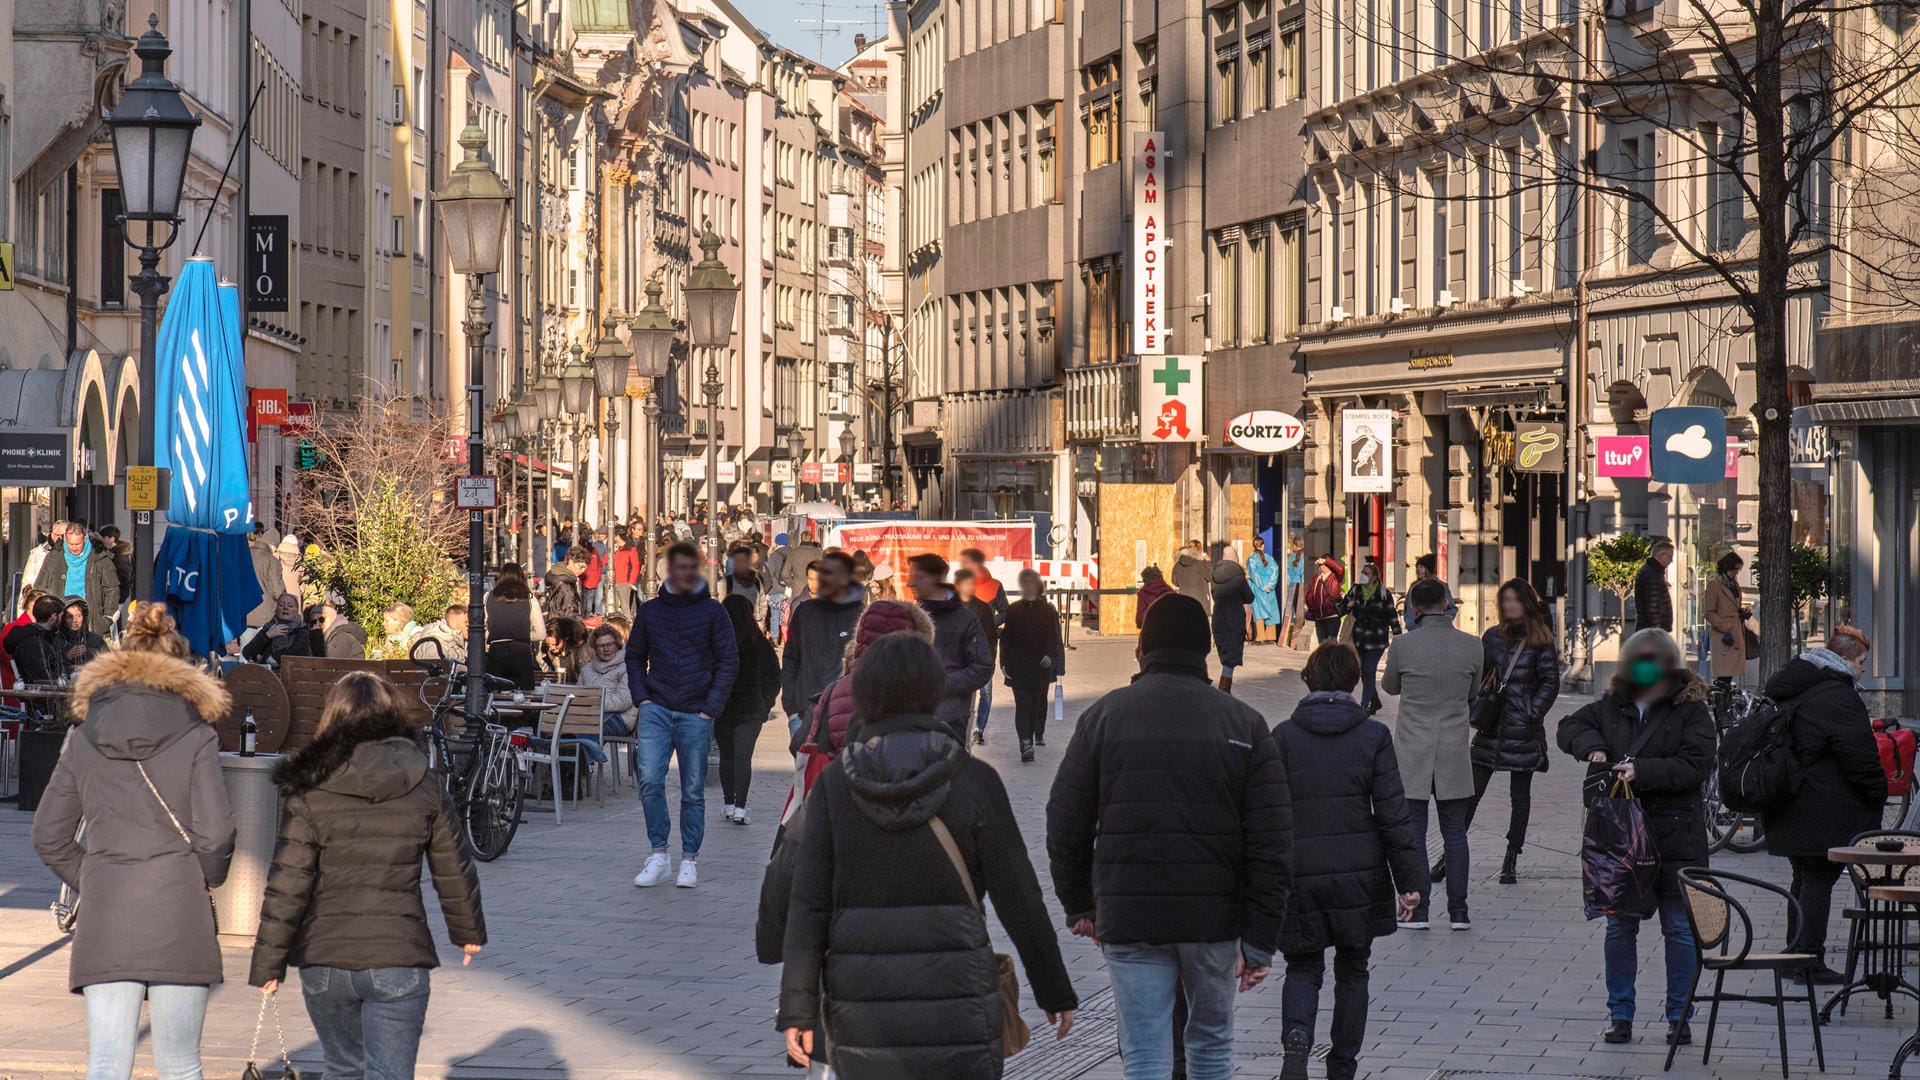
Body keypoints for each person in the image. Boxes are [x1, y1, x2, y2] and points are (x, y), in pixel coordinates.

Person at [779, 633, 1077, 1078]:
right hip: (959, 1000)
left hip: (863, 1007)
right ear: (935, 692)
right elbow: (1020, 896)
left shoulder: (835, 788)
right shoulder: (974, 782)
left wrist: (798, 1010)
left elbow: (808, 905)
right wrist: (1053, 990)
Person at [1047, 594, 1292, 1080]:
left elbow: (1064, 821)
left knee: (1145, 1053)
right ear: (1205, 650)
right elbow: (1273, 841)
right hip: (1214, 919)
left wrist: (1081, 906)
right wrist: (1261, 940)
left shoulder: (1104, 718)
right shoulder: (1243, 724)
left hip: (1130, 913)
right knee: (1211, 1047)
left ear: (1142, 648)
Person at [31, 604, 236, 1080]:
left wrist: (96, 876)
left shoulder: (84, 737)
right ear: (180, 668)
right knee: (181, 1065)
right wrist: (199, 875)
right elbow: (217, 833)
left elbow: (49, 835)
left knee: (106, 1062)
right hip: (178, 909)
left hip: (107, 910)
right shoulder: (197, 736)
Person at [249, 672, 486, 1080]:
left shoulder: (311, 787)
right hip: (398, 953)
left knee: (342, 1069)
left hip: (325, 958)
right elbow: (453, 864)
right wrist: (468, 933)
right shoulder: (423, 781)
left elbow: (288, 882)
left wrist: (268, 964)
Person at [1272, 643, 1425, 1080]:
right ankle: (1341, 1066)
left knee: (1302, 965)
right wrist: (1410, 883)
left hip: (1299, 870)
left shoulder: (1283, 736)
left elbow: (1266, 813)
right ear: (1354, 681)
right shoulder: (1373, 736)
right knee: (1353, 970)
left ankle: (1298, 1040)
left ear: (1309, 678)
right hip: (1359, 873)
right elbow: (1393, 813)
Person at [1556, 628, 1713, 1046]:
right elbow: (1568, 726)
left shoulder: (1692, 710)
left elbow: (1696, 765)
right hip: (1623, 839)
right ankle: (1620, 1014)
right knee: (1620, 927)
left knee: (1678, 928)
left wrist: (1642, 770)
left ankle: (1678, 1015)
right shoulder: (1614, 705)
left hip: (1676, 835)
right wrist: (1594, 749)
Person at [1760, 625, 1885, 985]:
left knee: (1804, 877)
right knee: (1818, 879)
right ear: (1844, 659)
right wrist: (1877, 793)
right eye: (1861, 662)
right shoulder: (1837, 697)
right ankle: (1808, 959)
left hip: (1790, 800)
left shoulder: (1797, 686)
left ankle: (1795, 953)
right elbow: (1860, 758)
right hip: (1821, 806)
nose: (1863, 670)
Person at [625, 542, 739, 889]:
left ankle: (690, 859)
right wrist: (642, 697)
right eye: (681, 567)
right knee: (649, 779)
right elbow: (633, 655)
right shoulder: (651, 611)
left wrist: (710, 708)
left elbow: (729, 661)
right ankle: (659, 854)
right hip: (656, 707)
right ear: (669, 571)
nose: (687, 573)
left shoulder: (713, 612)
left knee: (692, 788)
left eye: (693, 567)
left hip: (695, 711)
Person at [1380, 578, 1484, 930]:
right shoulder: (1473, 646)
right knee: (1455, 832)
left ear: (1414, 608)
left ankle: (1418, 910)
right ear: (1446, 603)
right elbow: (1474, 691)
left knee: (1414, 834)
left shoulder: (1403, 645)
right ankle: (1459, 912)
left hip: (1413, 748)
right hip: (1454, 747)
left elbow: (1390, 686)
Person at [1464, 579, 1561, 886]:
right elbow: (1479, 676)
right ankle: (1451, 854)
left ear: (1527, 603)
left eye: (1515, 600)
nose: (1510, 606)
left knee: (1520, 797)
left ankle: (1511, 858)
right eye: (1505, 600)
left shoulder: (1541, 640)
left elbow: (1550, 682)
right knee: (1470, 794)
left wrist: (1531, 711)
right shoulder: (1492, 637)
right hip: (1492, 726)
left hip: (1523, 729)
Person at [908, 553, 994, 746]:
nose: (910, 584)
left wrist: (940, 683)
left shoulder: (966, 620)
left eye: (917, 577)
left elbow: (982, 668)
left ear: (936, 578)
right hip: (911, 721)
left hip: (949, 721)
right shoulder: (909, 618)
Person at [780, 551, 866, 739]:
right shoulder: (805, 612)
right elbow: (791, 658)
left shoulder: (861, 615)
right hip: (804, 711)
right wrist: (791, 707)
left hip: (846, 714)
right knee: (805, 767)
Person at [715, 594, 780, 825]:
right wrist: (766, 702)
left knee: (727, 756)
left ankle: (728, 804)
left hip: (722, 707)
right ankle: (741, 809)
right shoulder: (759, 643)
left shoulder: (718, 641)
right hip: (751, 709)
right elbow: (774, 676)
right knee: (744, 758)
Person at [999, 569, 1064, 763]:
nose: (1028, 587)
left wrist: (1049, 656)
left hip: (1039, 667)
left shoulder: (1047, 610)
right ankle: (1025, 743)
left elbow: (1053, 637)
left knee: (1035, 705)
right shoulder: (1014, 610)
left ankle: (1034, 735)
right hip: (1018, 667)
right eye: (1024, 583)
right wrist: (1004, 663)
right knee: (1022, 705)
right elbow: (1006, 639)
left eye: (1031, 583)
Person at [34, 519, 120, 635]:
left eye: (78, 544)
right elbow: (41, 587)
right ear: (65, 539)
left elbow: (112, 589)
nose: (74, 548)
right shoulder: (54, 557)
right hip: (59, 620)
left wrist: (107, 618)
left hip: (91, 621)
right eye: (70, 544)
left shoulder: (100, 558)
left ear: (85, 539)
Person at [1340, 563, 1402, 714]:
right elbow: (1340, 609)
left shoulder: (1383, 593)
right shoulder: (1355, 590)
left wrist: (1398, 637)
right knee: (1363, 671)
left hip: (1377, 639)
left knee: (1369, 670)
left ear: (1374, 576)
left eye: (1366, 573)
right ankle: (1374, 702)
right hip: (1359, 638)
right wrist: (1347, 605)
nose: (1363, 575)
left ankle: (1364, 704)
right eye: (1362, 572)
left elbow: (1391, 615)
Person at [955, 568, 1003, 745]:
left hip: (980, 659)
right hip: (966, 661)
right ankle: (968, 730)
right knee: (971, 696)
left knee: (985, 694)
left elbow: (991, 636)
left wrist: (990, 659)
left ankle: (977, 729)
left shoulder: (983, 606)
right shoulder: (954, 607)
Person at [485, 564, 546, 690]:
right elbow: (541, 633)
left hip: (496, 651)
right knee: (523, 694)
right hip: (521, 651)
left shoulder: (488, 597)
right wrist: (521, 633)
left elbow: (482, 627)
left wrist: (497, 634)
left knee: (495, 695)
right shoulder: (530, 598)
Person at [580, 623, 639, 748]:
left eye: (610, 644)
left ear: (617, 645)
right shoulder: (587, 670)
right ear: (595, 648)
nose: (606, 649)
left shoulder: (627, 666)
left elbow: (624, 701)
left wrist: (593, 703)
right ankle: (567, 765)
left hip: (620, 718)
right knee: (564, 729)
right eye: (601, 645)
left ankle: (580, 764)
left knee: (587, 731)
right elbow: (578, 695)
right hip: (589, 716)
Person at [1702, 550, 1752, 685]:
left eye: (1739, 569)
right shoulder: (1715, 584)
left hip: (1735, 629)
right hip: (1724, 635)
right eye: (1735, 569)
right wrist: (1725, 626)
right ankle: (1721, 703)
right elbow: (1708, 612)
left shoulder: (1733, 584)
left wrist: (1742, 611)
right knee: (1724, 674)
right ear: (1727, 567)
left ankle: (1726, 702)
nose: (1737, 572)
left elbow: (1732, 605)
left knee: (1729, 674)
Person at [1211, 557, 1254, 694]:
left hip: (1218, 618)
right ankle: (1224, 689)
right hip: (1234, 619)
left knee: (1225, 653)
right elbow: (1250, 597)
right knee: (1230, 657)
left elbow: (1214, 596)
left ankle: (1225, 688)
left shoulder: (1215, 580)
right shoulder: (1239, 581)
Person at [6, 594, 67, 684]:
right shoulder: (31, 641)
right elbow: (40, 676)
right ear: (53, 617)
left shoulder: (47, 638)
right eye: (61, 616)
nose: (62, 621)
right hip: (39, 694)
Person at [243, 592, 314, 667]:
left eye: (290, 606)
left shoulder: (302, 631)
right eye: (281, 605)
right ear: (276, 610)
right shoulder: (269, 628)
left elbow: (295, 653)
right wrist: (267, 636)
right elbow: (247, 653)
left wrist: (274, 658)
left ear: (296, 612)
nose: (285, 608)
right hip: (267, 675)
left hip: (294, 675)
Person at [1403, 554, 1458, 626]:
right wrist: (1409, 622)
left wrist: (1440, 621)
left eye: (1421, 567)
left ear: (1428, 569)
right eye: (1417, 567)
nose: (1418, 569)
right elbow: (1407, 607)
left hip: (1436, 629)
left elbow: (1452, 609)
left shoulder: (1441, 586)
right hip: (1414, 629)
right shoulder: (1413, 587)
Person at [723, 545, 771, 626]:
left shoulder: (756, 580)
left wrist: (760, 622)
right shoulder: (728, 581)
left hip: (754, 625)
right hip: (735, 626)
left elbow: (762, 603)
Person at [1634, 540, 1675, 634]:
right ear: (1661, 556)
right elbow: (1653, 606)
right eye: (1670, 557)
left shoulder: (1650, 571)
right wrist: (1658, 631)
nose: (1671, 561)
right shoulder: (1652, 575)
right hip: (1650, 632)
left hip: (1648, 630)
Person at [1304, 557, 1346, 646]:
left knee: (1331, 644)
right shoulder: (1317, 578)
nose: (1322, 567)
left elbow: (1341, 569)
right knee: (1322, 644)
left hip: (1332, 616)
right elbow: (1309, 594)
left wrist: (1326, 560)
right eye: (1320, 565)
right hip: (1319, 617)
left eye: (1325, 565)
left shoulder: (1335, 577)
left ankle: (1333, 660)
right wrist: (1312, 607)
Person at [1247, 537, 1281, 643]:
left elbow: (1254, 575)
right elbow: (1275, 570)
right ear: (1263, 546)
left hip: (1257, 589)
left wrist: (1262, 586)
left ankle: (1260, 636)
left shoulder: (1251, 560)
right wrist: (1269, 585)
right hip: (1269, 589)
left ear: (1253, 546)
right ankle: (1270, 636)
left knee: (1259, 611)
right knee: (1271, 611)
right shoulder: (1269, 558)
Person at [57, 598, 109, 668]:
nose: (75, 620)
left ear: (84, 616)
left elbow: (110, 664)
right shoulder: (57, 641)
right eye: (69, 617)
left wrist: (89, 652)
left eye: (78, 616)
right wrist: (67, 656)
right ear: (63, 619)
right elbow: (50, 667)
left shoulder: (96, 639)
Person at [541, 616, 590, 683]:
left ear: (565, 638)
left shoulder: (580, 650)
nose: (551, 648)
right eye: (548, 645)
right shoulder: (548, 652)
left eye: (555, 644)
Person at [544, 549, 587, 625]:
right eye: (581, 567)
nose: (583, 571)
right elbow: (570, 612)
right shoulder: (566, 585)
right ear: (570, 562)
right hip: (563, 628)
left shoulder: (558, 575)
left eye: (585, 568)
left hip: (554, 624)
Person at [780, 529, 825, 597]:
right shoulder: (819, 553)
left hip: (798, 591)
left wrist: (792, 584)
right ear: (812, 539)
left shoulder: (793, 553)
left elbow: (785, 573)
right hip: (815, 591)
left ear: (801, 539)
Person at [22, 520, 64, 592]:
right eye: (57, 535)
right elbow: (27, 580)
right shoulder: (37, 554)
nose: (59, 539)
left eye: (62, 535)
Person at [1172, 539, 1214, 613]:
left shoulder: (1178, 565)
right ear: (1199, 550)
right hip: (1200, 603)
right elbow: (1211, 577)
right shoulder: (1200, 564)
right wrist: (1208, 562)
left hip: (1184, 601)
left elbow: (1175, 581)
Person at [611, 534, 643, 615]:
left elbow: (635, 566)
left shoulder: (630, 549)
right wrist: (612, 552)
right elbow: (605, 561)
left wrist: (631, 582)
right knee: (612, 605)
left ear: (618, 536)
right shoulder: (614, 547)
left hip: (624, 581)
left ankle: (627, 622)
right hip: (612, 580)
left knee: (624, 605)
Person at [579, 529, 607, 616]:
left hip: (592, 579)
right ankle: (584, 613)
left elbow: (599, 565)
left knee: (591, 597)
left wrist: (598, 577)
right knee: (583, 597)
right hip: (582, 579)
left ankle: (588, 613)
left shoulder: (594, 550)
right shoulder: (580, 550)